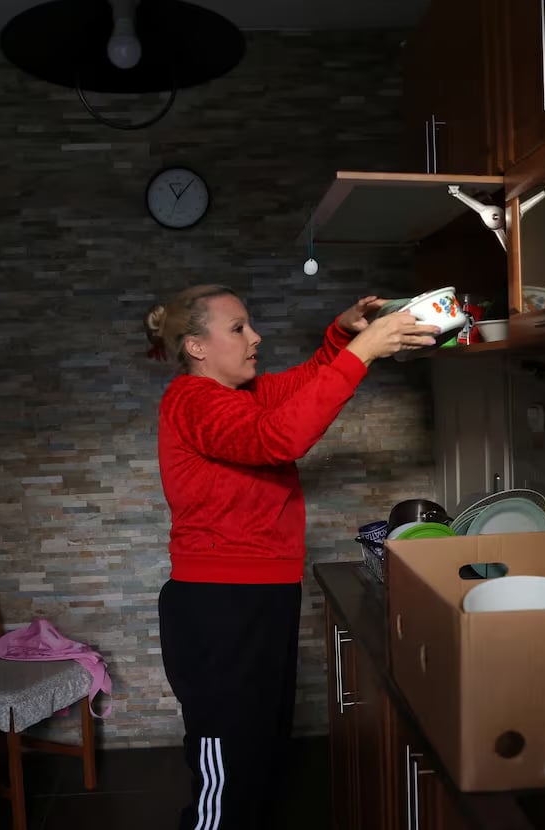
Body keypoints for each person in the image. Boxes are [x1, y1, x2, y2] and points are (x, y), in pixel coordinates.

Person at [143, 284, 439, 830]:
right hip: (218, 608)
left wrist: (340, 338)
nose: (256, 337)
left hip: (260, 595)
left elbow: (305, 388)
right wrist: (364, 350)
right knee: (227, 762)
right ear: (196, 347)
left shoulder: (241, 395)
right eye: (238, 329)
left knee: (259, 749)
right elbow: (279, 437)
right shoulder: (191, 400)